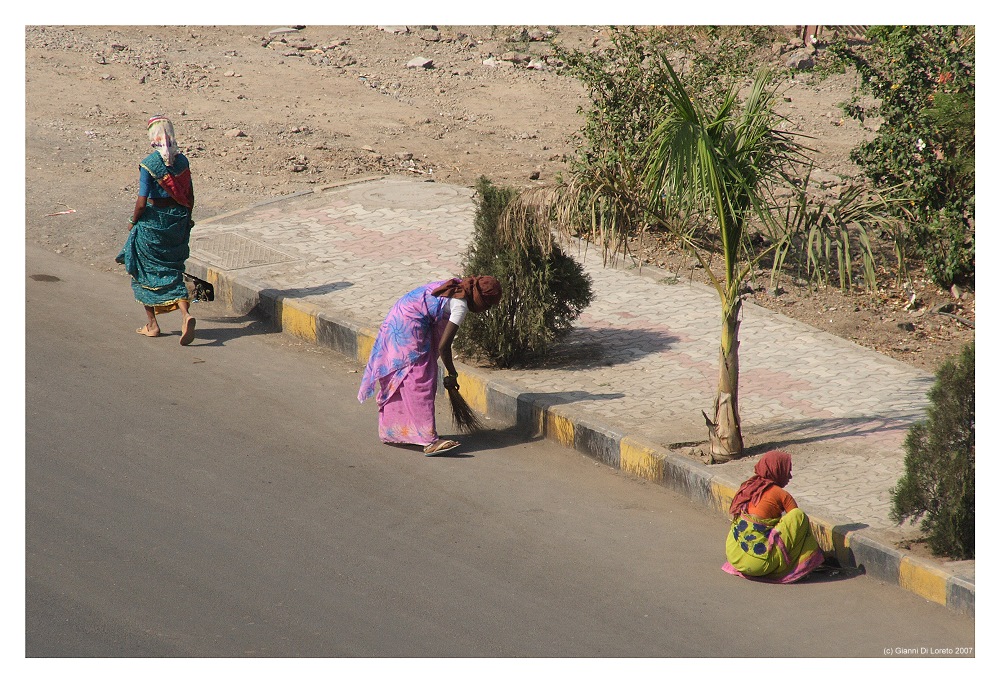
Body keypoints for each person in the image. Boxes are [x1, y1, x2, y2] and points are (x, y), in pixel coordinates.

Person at [358, 276, 503, 455]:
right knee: (420, 380)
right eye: (487, 305)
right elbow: (444, 346)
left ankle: (394, 431)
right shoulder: (460, 305)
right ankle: (429, 440)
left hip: (402, 313)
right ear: (480, 299)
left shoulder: (458, 286)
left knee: (407, 376)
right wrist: (452, 372)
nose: (485, 309)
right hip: (407, 324)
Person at [116, 115, 197, 345]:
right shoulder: (183, 163)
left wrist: (133, 221)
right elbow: (190, 196)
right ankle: (185, 314)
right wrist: (187, 220)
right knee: (172, 269)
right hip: (177, 222)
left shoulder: (149, 164)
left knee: (142, 269)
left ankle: (152, 324)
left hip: (153, 223)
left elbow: (142, 201)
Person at [722, 450, 826, 583]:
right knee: (799, 516)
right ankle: (803, 564)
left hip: (733, 555)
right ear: (777, 470)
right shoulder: (781, 494)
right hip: (758, 565)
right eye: (787, 471)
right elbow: (797, 525)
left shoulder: (747, 487)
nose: (789, 476)